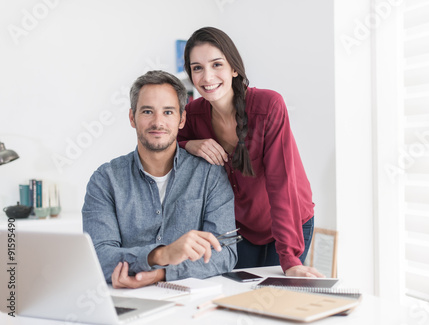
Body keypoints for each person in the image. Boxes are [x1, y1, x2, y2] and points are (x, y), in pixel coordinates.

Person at [177, 27, 324, 278]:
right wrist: (189, 144)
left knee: (279, 302)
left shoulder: (268, 106)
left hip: (290, 223)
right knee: (239, 297)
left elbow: (281, 183)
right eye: (197, 68)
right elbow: (169, 146)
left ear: (234, 68)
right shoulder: (192, 115)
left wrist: (290, 259)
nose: (207, 76)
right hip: (240, 230)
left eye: (216, 64)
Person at [82, 70, 237, 289]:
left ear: (182, 119)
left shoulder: (209, 175)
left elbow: (225, 253)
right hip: (125, 302)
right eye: (147, 111)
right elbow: (98, 257)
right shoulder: (105, 180)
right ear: (131, 117)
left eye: (168, 112)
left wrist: (163, 274)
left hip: (189, 302)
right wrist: (160, 255)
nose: (158, 122)